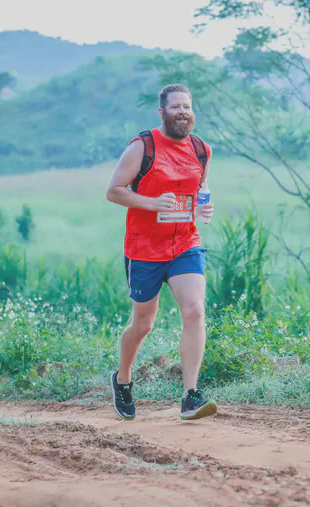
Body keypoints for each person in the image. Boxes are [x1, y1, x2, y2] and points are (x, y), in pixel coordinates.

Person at [105, 83, 217, 421]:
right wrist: (151, 203)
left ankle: (191, 396)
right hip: (144, 247)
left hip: (185, 242)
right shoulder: (143, 147)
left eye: (187, 106)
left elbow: (201, 188)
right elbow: (114, 191)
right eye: (175, 107)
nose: (183, 112)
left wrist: (205, 207)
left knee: (195, 311)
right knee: (142, 325)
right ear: (162, 112)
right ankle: (122, 379)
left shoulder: (202, 150)